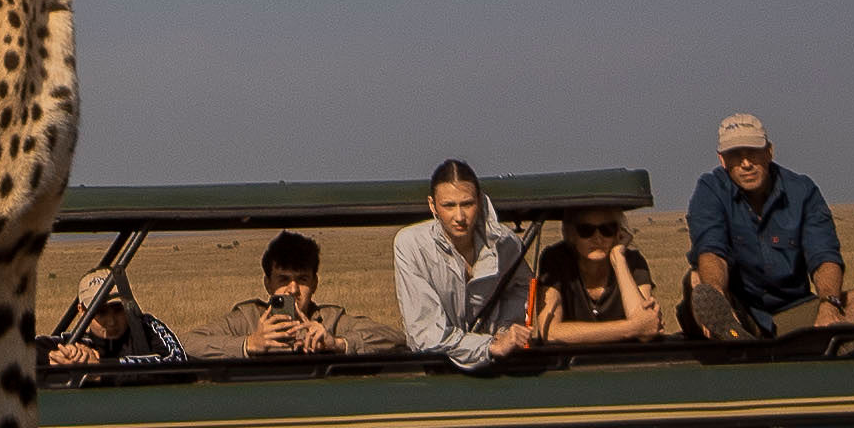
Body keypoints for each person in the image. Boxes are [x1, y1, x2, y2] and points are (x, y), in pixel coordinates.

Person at [682, 113, 854, 339]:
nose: (746, 164)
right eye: (736, 155)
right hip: (739, 310)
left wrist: (829, 305)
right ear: (722, 160)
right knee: (698, 281)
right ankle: (729, 334)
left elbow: (824, 256)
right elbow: (712, 252)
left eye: (753, 153)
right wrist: (719, 297)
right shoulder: (710, 189)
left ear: (769, 151)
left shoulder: (802, 191)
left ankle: (839, 334)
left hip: (790, 310)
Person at [393, 159, 535, 369]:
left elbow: (524, 290)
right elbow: (426, 334)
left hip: (503, 366)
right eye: (449, 206)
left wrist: (505, 331)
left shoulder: (505, 243)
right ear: (432, 205)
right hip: (437, 370)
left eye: (467, 204)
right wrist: (488, 346)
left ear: (480, 200)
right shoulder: (411, 244)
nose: (459, 216)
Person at [184, 231, 406, 358]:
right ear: (268, 284)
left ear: (314, 283)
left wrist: (337, 343)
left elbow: (395, 337)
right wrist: (248, 344)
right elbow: (186, 343)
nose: (292, 290)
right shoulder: (247, 319)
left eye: (302, 280)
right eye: (283, 280)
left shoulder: (330, 320)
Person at [533, 206, 664, 343]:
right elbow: (550, 332)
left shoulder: (633, 262)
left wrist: (618, 259)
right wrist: (632, 328)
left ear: (618, 233)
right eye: (586, 231)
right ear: (571, 234)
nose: (598, 238)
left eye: (607, 230)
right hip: (571, 362)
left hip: (624, 360)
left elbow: (647, 330)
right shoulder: (556, 260)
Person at [44, 269, 187, 365]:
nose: (112, 322)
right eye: (101, 312)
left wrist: (100, 368)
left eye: (118, 309)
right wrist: (55, 357)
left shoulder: (147, 327)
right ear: (82, 311)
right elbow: (30, 350)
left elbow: (178, 362)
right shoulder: (78, 343)